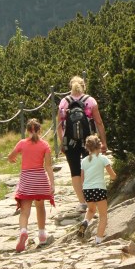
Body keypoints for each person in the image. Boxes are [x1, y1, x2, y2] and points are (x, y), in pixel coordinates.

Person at [57, 76, 107, 208]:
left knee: (75, 171)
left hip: (70, 141)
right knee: (88, 169)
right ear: (84, 86)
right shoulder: (90, 101)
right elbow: (99, 123)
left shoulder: (64, 102)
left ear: (70, 86)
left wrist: (62, 142)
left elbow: (59, 125)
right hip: (88, 141)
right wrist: (103, 142)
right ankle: (90, 198)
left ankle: (82, 202)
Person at [8, 118, 55, 252]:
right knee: (40, 207)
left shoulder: (22, 143)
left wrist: (12, 159)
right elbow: (48, 165)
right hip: (40, 178)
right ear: (40, 130)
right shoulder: (45, 145)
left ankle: (23, 231)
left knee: (24, 210)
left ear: (27, 130)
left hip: (27, 179)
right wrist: (52, 183)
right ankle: (41, 234)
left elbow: (10, 156)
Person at [79, 133, 117, 245]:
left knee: (91, 210)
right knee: (103, 215)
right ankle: (98, 240)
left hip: (87, 190)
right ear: (99, 146)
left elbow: (82, 178)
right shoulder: (103, 159)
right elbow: (112, 175)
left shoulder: (84, 161)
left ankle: (85, 222)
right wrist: (115, 178)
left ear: (87, 148)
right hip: (99, 189)